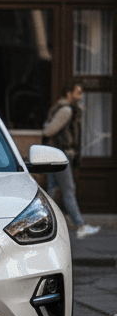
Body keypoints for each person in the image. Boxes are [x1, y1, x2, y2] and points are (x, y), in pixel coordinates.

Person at [42, 82, 99, 239]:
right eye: (77, 93)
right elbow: (49, 130)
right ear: (68, 93)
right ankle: (80, 225)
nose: (80, 96)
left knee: (52, 189)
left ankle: (44, 223)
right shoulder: (66, 110)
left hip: (53, 154)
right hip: (60, 154)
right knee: (68, 189)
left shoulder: (63, 108)